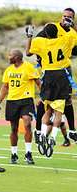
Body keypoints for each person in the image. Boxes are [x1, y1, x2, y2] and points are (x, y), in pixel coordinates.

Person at [26, 23, 77, 157]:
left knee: (47, 109)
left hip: (48, 76)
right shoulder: (64, 39)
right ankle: (53, 137)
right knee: (59, 110)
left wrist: (30, 36)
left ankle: (42, 133)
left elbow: (29, 51)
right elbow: (73, 35)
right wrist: (70, 26)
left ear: (46, 34)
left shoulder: (41, 42)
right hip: (61, 76)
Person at [0, 49, 40, 164]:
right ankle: (14, 154)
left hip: (26, 100)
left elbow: (38, 82)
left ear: (16, 57)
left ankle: (28, 153)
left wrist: (43, 97)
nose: (8, 57)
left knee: (27, 123)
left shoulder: (29, 67)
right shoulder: (9, 70)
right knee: (14, 128)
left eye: (10, 55)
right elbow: (5, 87)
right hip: (12, 101)